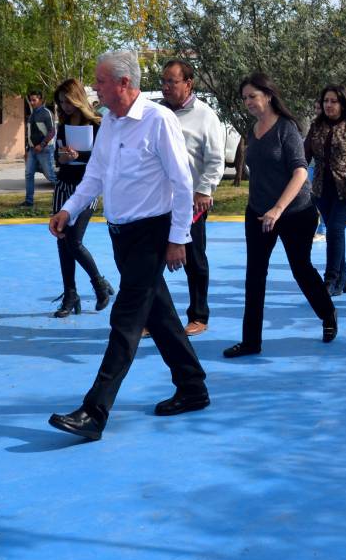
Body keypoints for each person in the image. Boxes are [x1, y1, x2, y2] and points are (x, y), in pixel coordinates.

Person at [47, 51, 208, 442]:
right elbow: (95, 176)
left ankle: (94, 410)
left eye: (100, 81)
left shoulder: (158, 121)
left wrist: (177, 240)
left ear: (123, 83)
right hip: (121, 235)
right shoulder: (111, 124)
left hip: (153, 236)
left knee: (126, 321)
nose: (94, 88)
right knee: (162, 317)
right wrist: (68, 210)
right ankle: (193, 387)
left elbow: (183, 184)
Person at [223, 73, 337, 358]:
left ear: (268, 96)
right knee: (255, 275)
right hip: (258, 214)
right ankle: (251, 342)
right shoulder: (253, 129)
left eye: (252, 96)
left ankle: (328, 314)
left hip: (296, 213)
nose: (248, 102)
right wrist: (262, 208)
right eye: (245, 98)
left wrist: (277, 209)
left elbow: (300, 172)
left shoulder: (287, 129)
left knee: (301, 268)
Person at [159, 58, 225, 335]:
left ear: (188, 84)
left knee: (194, 259)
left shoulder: (205, 115)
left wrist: (204, 190)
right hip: (157, 201)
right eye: (162, 81)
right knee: (151, 261)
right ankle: (153, 317)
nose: (165, 87)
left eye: (171, 82)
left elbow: (216, 159)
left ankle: (199, 315)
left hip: (191, 202)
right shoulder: (157, 112)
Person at [50, 77, 114, 318]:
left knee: (74, 241)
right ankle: (70, 294)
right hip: (64, 185)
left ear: (77, 98)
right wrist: (62, 158)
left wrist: (81, 155)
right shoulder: (63, 124)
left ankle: (99, 284)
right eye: (60, 102)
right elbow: (57, 157)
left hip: (86, 188)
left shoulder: (97, 124)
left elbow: (102, 161)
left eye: (67, 101)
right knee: (62, 240)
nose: (65, 106)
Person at [304, 84, 346, 296]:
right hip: (322, 190)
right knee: (336, 233)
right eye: (326, 101)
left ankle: (330, 279)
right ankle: (343, 279)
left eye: (333, 101)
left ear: (342, 104)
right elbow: (304, 155)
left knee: (334, 229)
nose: (329, 105)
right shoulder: (316, 126)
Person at [19, 90, 57, 208]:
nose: (32, 102)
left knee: (50, 175)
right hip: (32, 150)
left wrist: (42, 145)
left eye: (34, 100)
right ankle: (29, 201)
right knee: (29, 174)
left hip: (45, 150)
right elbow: (30, 134)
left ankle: (68, 196)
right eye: (30, 100)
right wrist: (27, 149)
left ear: (40, 100)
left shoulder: (46, 113)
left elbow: (52, 131)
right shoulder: (32, 115)